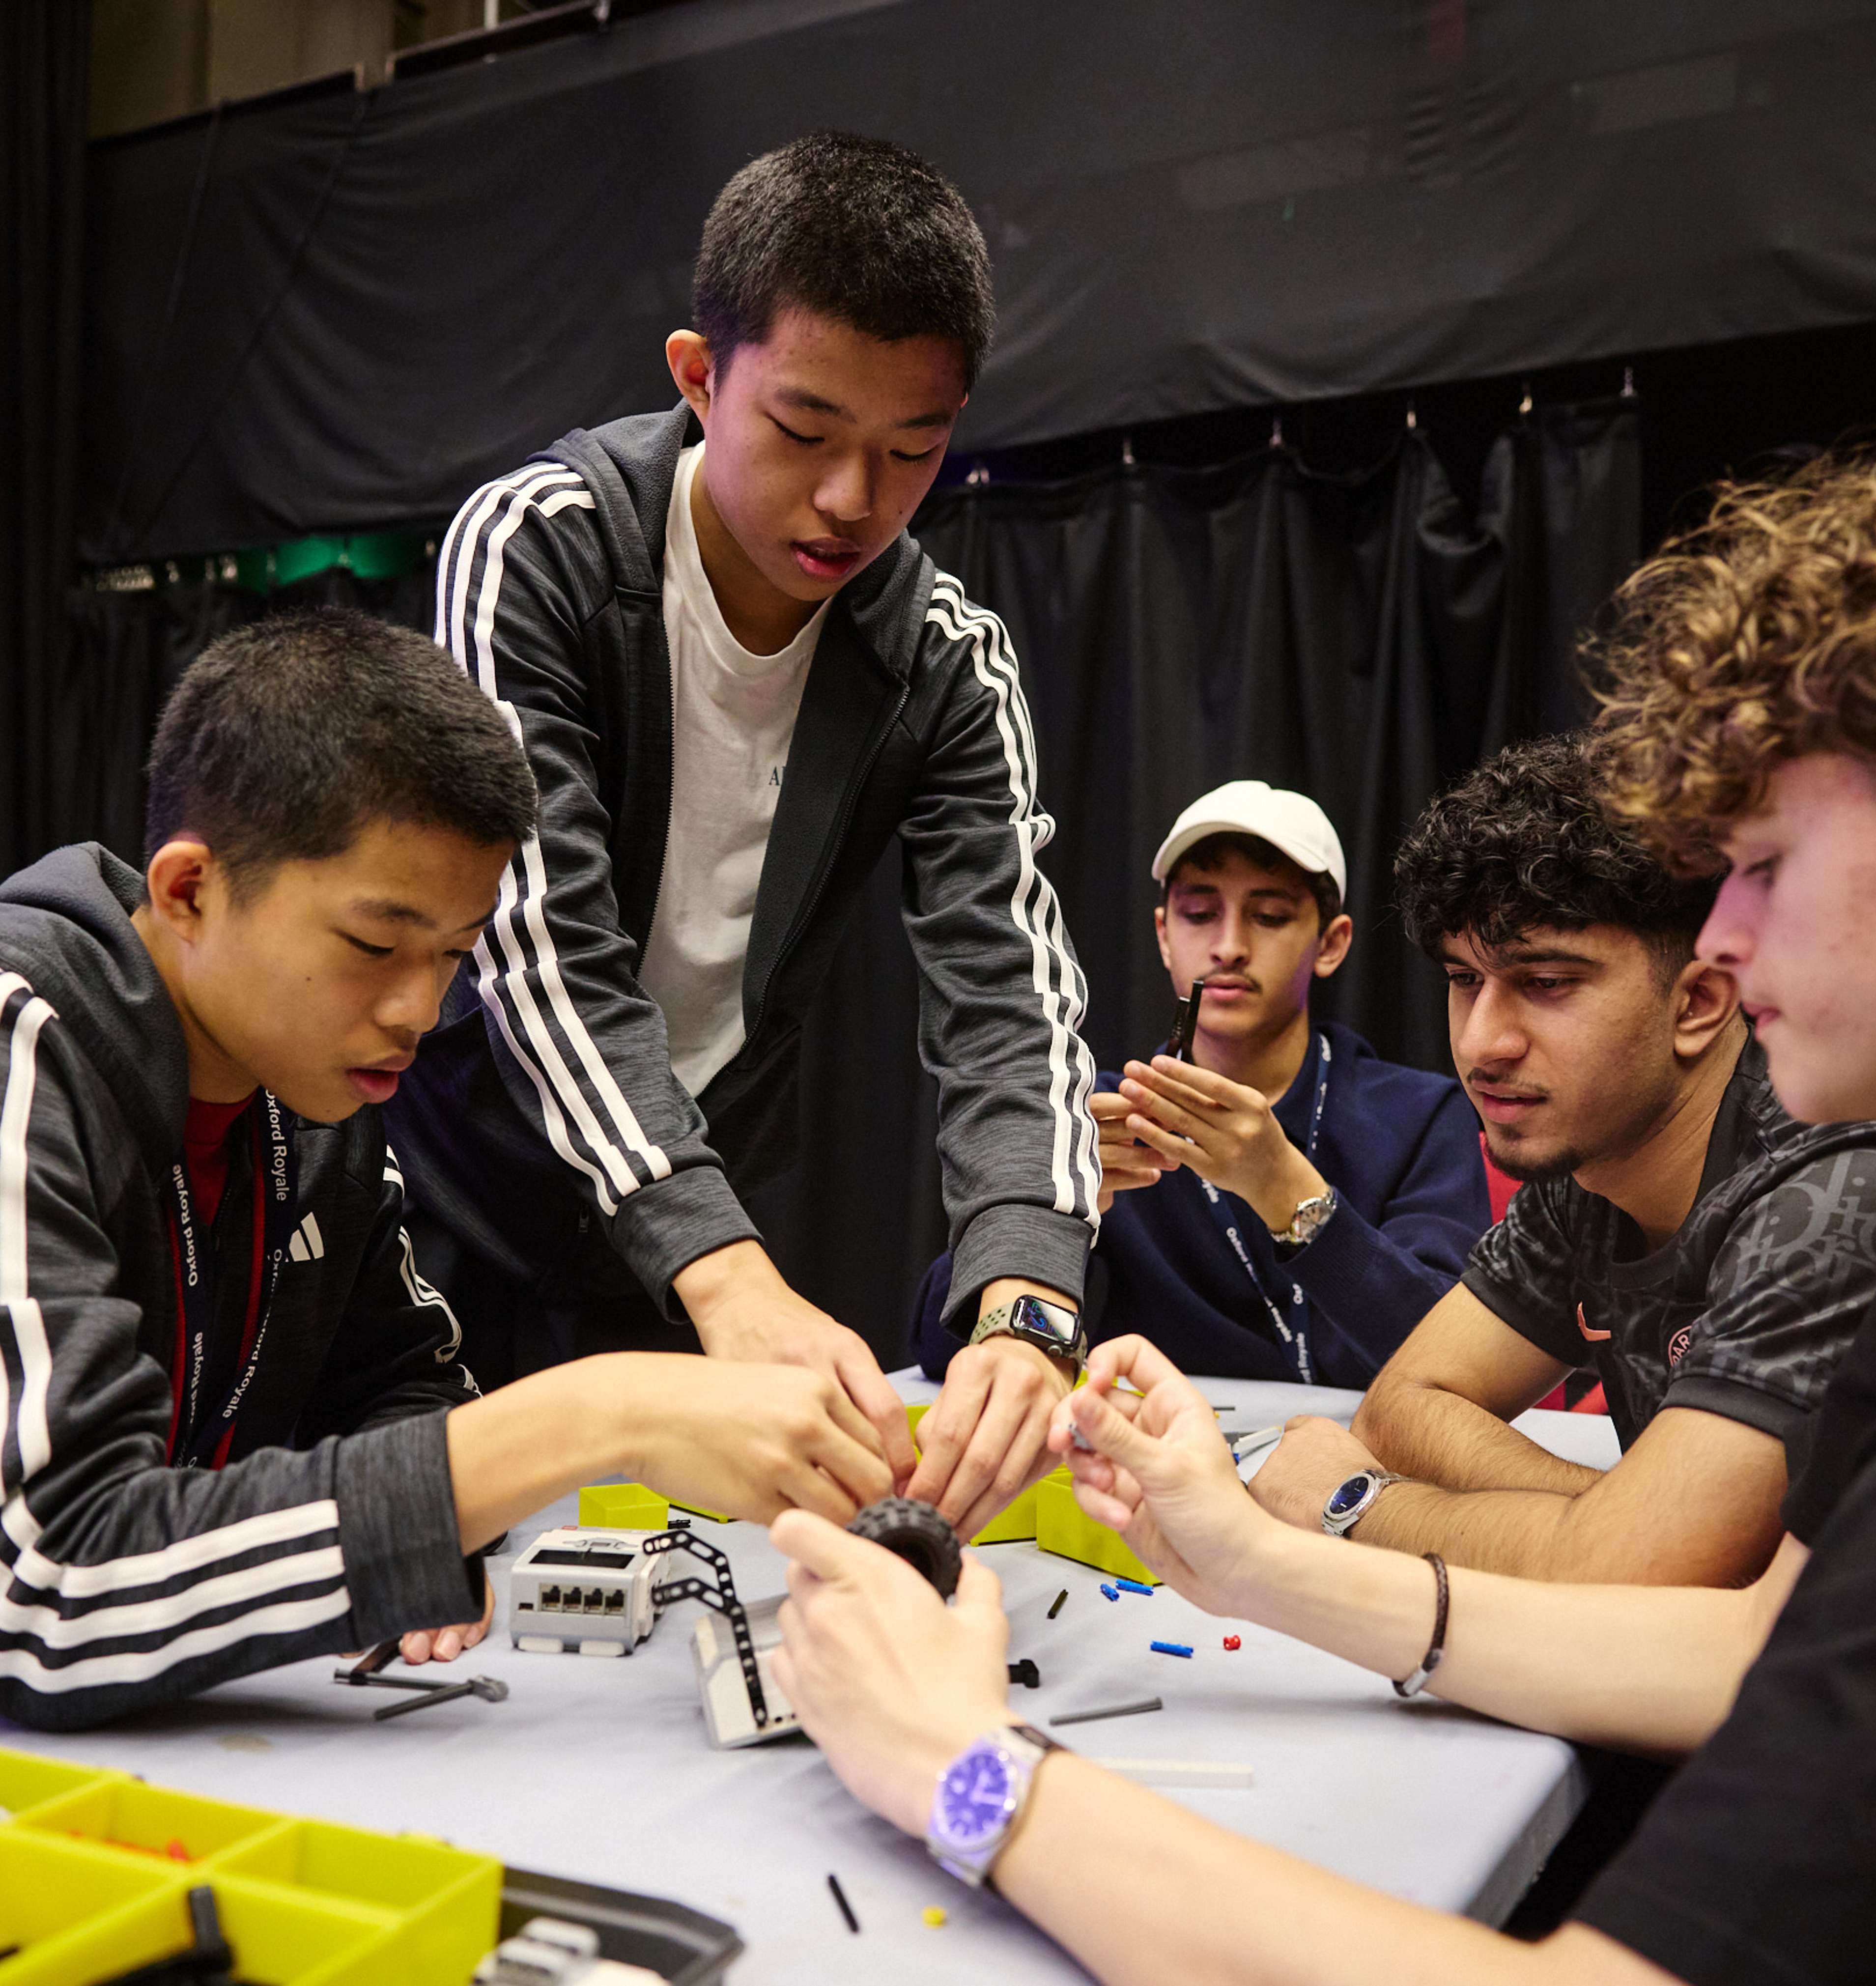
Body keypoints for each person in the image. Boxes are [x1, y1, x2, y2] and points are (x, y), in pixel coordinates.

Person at [762, 454, 1876, 1986]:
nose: (1730, 929)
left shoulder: (1821, 1183)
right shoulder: (1543, 1165)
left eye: (1755, 866)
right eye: (1466, 983)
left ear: (1321, 937)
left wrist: (964, 1772)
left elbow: (1614, 1569)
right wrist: (1240, 1546)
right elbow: (1728, 1627)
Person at [388, 132, 1098, 1544]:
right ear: (700, 377)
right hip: (445, 1208)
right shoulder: (541, 546)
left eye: (915, 450)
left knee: (660, 1625)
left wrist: (1026, 1299)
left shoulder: (947, 661)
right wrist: (727, 1272)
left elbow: (1010, 995)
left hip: (691, 1224)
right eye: (807, 431)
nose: (854, 501)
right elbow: (543, 949)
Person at [0, 610, 892, 1731]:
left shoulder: (311, 1087)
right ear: (189, 891)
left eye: (456, 955)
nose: (420, 1011)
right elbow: (51, 1590)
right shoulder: (22, 1045)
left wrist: (396, 1545)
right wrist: (601, 1409)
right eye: (376, 944)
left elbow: (402, 1388)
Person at [1251, 732, 1876, 1585]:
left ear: (1698, 1001)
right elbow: (1406, 1404)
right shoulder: (1591, 1163)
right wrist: (1618, 1515)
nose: (1482, 1044)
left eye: (1546, 983)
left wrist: (1361, 1505)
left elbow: (1660, 1575)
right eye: (1464, 979)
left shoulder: (1825, 1184)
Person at [912, 781, 1488, 1386]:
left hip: (1363, 1463)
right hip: (1154, 1463)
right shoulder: (1095, 1121)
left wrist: (1288, 1193)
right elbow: (937, 1347)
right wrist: (1055, 1225)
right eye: (1199, 914)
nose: (1229, 947)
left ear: (1332, 943)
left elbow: (1458, 1361)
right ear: (1164, 934)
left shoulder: (1420, 1114)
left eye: (1269, 916)